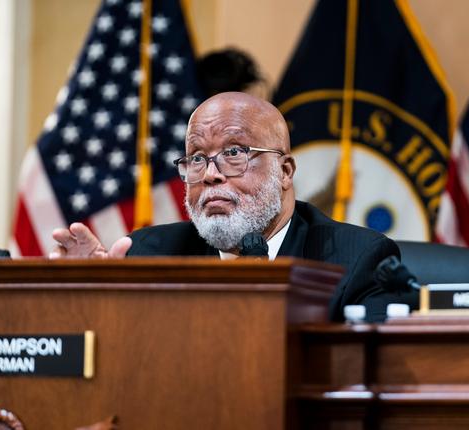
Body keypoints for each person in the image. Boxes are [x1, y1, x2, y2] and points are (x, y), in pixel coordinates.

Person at [50, 92, 400, 322]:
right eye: (198, 158)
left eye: (234, 153)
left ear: (285, 172)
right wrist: (93, 301)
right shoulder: (148, 256)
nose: (211, 175)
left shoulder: (355, 260)